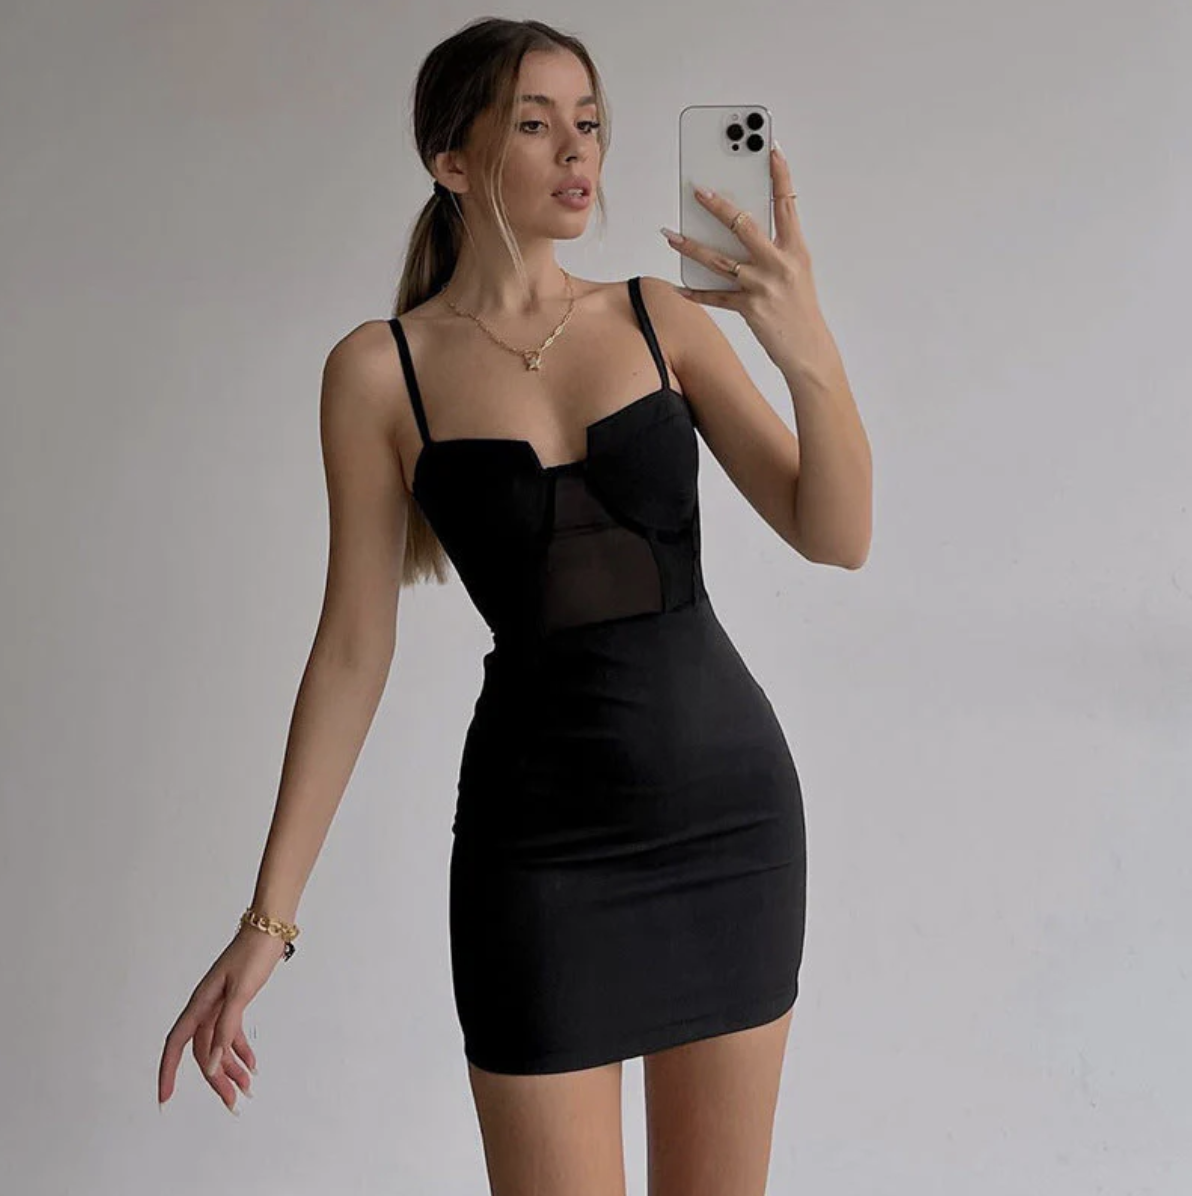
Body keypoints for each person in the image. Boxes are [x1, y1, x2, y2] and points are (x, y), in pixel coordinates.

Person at [158, 16, 871, 1195]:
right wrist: (266, 919)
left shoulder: (658, 315)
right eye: (534, 124)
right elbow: (352, 649)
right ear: (452, 159)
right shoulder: (378, 371)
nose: (575, 149)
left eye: (587, 121)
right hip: (539, 853)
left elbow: (834, 533)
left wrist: (806, 347)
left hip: (729, 825)